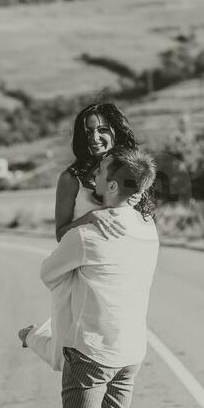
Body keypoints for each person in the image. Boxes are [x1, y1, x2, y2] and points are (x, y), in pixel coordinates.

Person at [38, 146, 160, 408]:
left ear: (109, 184)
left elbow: (48, 272)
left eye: (102, 171)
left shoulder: (86, 235)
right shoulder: (149, 229)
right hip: (130, 348)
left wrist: (85, 221)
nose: (94, 176)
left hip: (92, 349)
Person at [17, 102, 153, 370]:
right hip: (82, 272)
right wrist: (90, 218)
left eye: (102, 129)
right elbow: (61, 232)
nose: (93, 137)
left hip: (117, 276)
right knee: (66, 354)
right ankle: (32, 336)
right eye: (87, 131)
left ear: (116, 132)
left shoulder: (131, 171)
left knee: (116, 344)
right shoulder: (71, 178)